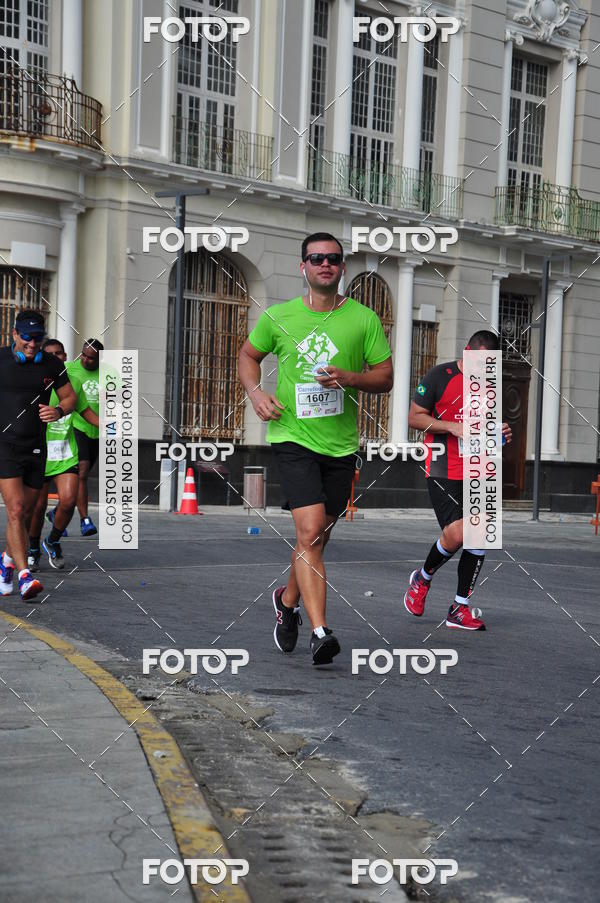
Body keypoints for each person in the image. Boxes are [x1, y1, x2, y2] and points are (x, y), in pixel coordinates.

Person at [239, 233, 393, 665]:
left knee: (316, 540)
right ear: (302, 266)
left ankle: (286, 602)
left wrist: (351, 377)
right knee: (308, 533)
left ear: (343, 268)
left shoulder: (363, 320)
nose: (324, 264)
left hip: (341, 445)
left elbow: (385, 378)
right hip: (292, 438)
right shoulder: (279, 316)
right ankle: (321, 631)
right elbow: (247, 356)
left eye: (333, 259)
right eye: (316, 258)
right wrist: (255, 393)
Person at [403, 330, 512, 631]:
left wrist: (501, 434)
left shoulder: (489, 384)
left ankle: (459, 608)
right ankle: (421, 579)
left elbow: (485, 427)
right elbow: (414, 417)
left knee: (480, 534)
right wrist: (452, 427)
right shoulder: (440, 376)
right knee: (458, 533)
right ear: (466, 352)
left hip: (479, 466)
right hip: (443, 467)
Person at [0, 311, 76, 600]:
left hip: (36, 446)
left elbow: (70, 398)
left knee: (26, 513)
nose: (32, 344)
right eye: (27, 338)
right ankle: (24, 576)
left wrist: (58, 411)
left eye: (37, 338)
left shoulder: (52, 364)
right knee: (16, 510)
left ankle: (6, 560)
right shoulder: (2, 359)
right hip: (4, 446)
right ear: (15, 334)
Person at [28, 339, 100, 571]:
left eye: (60, 354)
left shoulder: (73, 383)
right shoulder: (31, 383)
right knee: (37, 508)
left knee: (68, 502)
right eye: (51, 354)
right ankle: (32, 548)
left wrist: (110, 425)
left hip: (66, 454)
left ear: (66, 356)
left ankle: (53, 541)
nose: (57, 358)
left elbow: (86, 412)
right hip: (38, 454)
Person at [66, 339, 103, 536]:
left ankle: (57, 513)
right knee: (82, 470)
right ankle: (84, 519)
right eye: (84, 355)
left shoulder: (107, 373)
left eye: (91, 358)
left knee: (83, 475)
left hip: (96, 431)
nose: (86, 360)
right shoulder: (68, 368)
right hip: (75, 426)